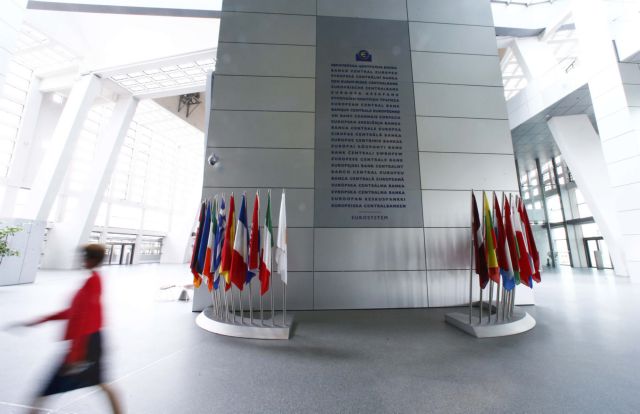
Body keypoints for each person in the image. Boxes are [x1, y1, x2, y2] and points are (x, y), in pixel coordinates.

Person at [23, 244, 122, 414]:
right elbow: (75, 312)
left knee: (47, 389)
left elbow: (84, 320)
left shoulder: (92, 282)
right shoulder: (94, 280)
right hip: (90, 340)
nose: (82, 260)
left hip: (86, 342)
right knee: (99, 382)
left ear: (92, 259)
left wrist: (75, 355)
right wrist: (43, 319)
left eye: (85, 257)